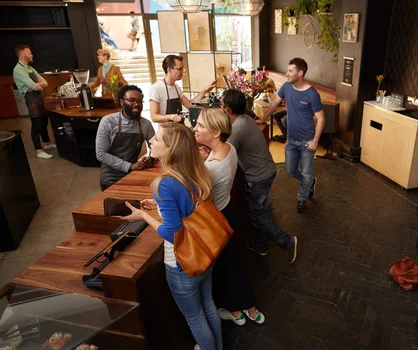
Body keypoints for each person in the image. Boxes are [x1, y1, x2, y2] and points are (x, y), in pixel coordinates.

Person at [118, 123, 222, 350]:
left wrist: (144, 216)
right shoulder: (196, 170)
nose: (151, 141)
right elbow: (188, 205)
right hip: (206, 252)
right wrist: (159, 205)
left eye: (156, 138)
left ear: (171, 148)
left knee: (195, 317)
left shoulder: (164, 183)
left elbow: (173, 235)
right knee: (208, 303)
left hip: (183, 263)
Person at [192, 108, 265, 326]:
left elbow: (197, 199)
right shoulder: (229, 148)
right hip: (228, 211)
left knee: (226, 266)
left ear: (216, 132)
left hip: (216, 219)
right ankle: (246, 310)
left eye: (200, 125)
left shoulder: (211, 168)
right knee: (231, 262)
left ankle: (239, 310)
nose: (195, 128)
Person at [222, 88, 298, 263]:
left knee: (257, 214)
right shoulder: (247, 119)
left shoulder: (237, 129)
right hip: (268, 171)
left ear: (227, 110)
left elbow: (225, 152)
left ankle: (287, 242)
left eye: (221, 105)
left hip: (258, 178)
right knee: (262, 212)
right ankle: (261, 246)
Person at [259, 58, 324, 213]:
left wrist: (315, 141)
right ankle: (310, 182)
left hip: (308, 141)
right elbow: (274, 104)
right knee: (290, 171)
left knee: (306, 172)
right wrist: (262, 119)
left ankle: (302, 198)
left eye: (290, 71)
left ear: (300, 73)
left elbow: (321, 119)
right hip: (292, 140)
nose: (287, 74)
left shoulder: (312, 94)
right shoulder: (287, 87)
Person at [96, 85, 155, 191]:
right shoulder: (108, 122)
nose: (137, 104)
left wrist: (152, 158)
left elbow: (155, 147)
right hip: (110, 179)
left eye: (140, 101)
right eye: (132, 100)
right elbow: (101, 154)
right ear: (122, 102)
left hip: (133, 175)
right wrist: (130, 166)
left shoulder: (146, 124)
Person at [12, 45, 55, 159]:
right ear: (23, 55)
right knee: (37, 124)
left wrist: (36, 85)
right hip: (31, 99)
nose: (32, 55)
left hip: (40, 98)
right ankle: (39, 150)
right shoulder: (18, 70)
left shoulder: (30, 68)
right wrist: (35, 85)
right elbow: (34, 87)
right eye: (29, 53)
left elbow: (44, 83)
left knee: (44, 122)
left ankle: (47, 143)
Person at [149, 55, 216, 124]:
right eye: (179, 69)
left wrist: (205, 91)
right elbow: (154, 117)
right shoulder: (156, 88)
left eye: (182, 69)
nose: (182, 72)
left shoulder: (176, 87)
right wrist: (170, 117)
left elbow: (189, 104)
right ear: (169, 70)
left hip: (179, 128)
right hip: (166, 131)